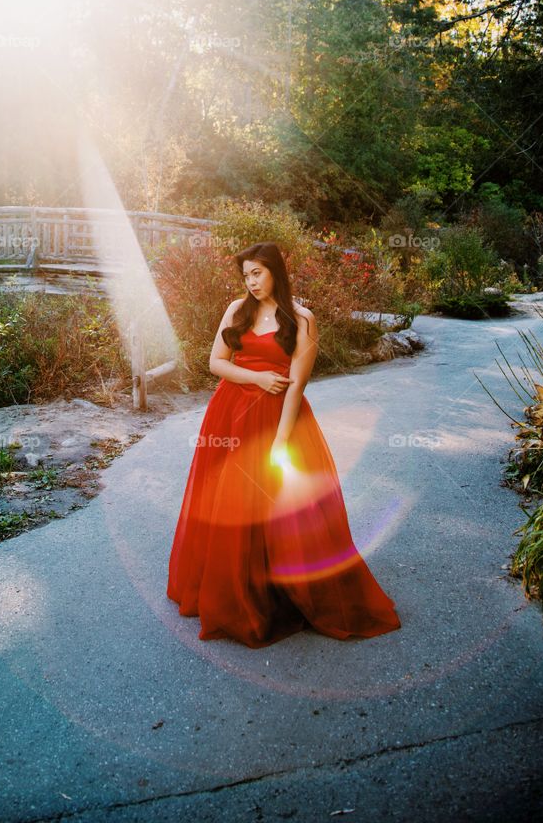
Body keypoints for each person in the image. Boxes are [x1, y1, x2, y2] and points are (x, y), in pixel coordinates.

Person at [167, 240, 401, 648]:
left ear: (276, 271)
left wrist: (281, 440)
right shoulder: (236, 311)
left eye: (257, 272)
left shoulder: (303, 320)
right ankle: (234, 592)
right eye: (246, 275)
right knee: (232, 503)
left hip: (278, 419)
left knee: (287, 511)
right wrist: (256, 378)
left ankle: (284, 590)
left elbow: (296, 386)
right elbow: (215, 363)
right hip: (230, 415)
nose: (251, 281)